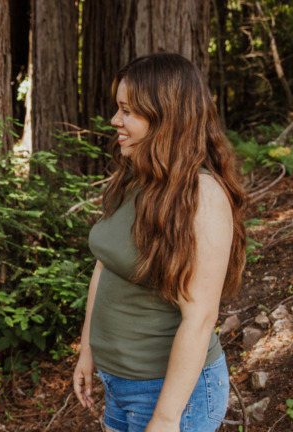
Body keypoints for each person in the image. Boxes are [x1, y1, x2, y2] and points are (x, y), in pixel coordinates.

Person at [72, 53, 246, 432]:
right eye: (118, 108)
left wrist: (167, 418)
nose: (115, 121)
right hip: (118, 386)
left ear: (167, 118)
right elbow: (105, 265)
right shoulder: (134, 176)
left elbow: (199, 318)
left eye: (127, 111)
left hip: (173, 396)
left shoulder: (203, 196)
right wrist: (88, 349)